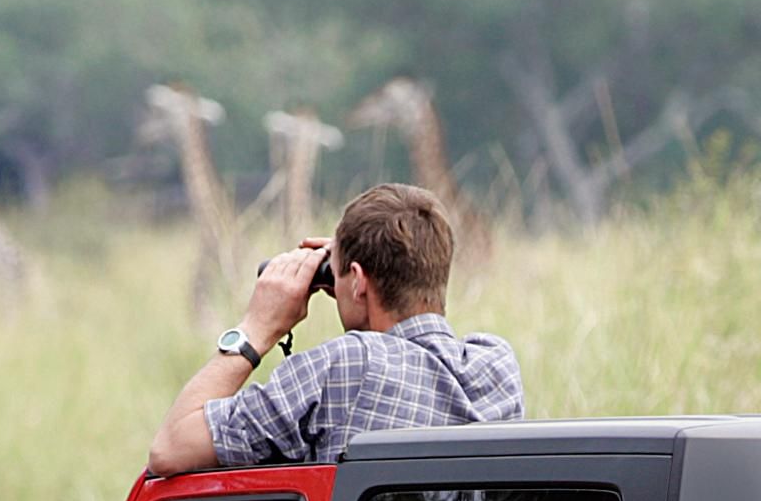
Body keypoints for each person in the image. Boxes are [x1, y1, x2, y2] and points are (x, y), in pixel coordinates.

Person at [145, 182, 522, 473]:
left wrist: (256, 328)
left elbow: (169, 449)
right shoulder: (496, 366)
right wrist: (357, 264)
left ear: (357, 281)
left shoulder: (345, 367)